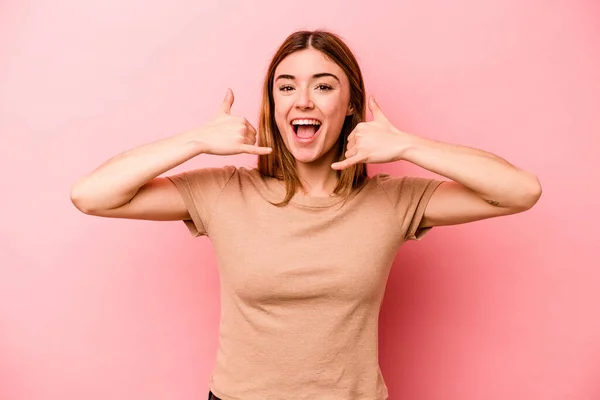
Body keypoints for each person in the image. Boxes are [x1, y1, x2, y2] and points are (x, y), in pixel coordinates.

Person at [70, 30, 542, 400]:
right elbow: (92, 196)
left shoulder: (393, 201)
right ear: (274, 105)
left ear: (350, 103)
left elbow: (521, 192)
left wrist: (408, 146)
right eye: (287, 86)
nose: (303, 100)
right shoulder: (225, 192)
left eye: (323, 85)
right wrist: (194, 141)